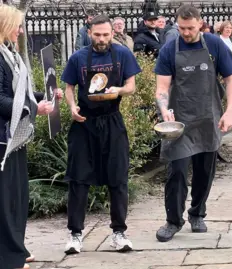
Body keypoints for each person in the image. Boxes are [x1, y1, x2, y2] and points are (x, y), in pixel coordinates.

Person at [154, 4, 232, 242]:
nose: (186, 32)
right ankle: (173, 221)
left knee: (205, 171)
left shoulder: (214, 45)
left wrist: (230, 111)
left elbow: (231, 80)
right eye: (182, 28)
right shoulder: (170, 49)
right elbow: (161, 88)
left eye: (190, 28)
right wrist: (163, 109)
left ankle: (197, 213)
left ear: (200, 24)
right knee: (176, 171)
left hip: (208, 117)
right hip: (179, 120)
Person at [61, 14, 142, 254]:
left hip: (112, 121)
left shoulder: (122, 54)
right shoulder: (78, 58)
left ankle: (119, 233)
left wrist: (119, 90)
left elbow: (131, 86)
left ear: (111, 33)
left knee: (118, 179)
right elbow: (68, 88)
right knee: (78, 180)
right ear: (89, 33)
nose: (102, 39)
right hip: (84, 123)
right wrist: (72, 108)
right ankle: (75, 235)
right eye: (97, 35)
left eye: (106, 34)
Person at [0, 5, 62, 269]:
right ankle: (8, 257)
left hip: (15, 138)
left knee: (18, 196)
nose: (21, 31)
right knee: (5, 200)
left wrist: (43, 97)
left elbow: (20, 93)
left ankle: (17, 247)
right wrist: (36, 108)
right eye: (18, 25)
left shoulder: (10, 54)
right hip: (3, 141)